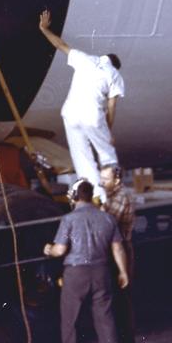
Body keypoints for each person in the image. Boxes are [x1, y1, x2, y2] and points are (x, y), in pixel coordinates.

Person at [43, 179, 130, 343]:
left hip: (76, 273)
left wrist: (48, 249)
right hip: (101, 271)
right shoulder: (107, 218)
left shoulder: (69, 219)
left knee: (70, 318)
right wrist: (123, 272)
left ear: (74, 197)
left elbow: (60, 250)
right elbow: (118, 248)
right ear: (91, 196)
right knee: (105, 317)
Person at [37, 11, 124, 201]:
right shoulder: (114, 74)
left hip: (70, 113)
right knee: (106, 154)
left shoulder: (85, 59)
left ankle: (93, 197)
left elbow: (60, 45)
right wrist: (108, 132)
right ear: (115, 65)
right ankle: (113, 196)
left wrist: (44, 29)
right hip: (91, 115)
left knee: (82, 158)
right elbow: (111, 105)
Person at [100, 164, 137, 343]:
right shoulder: (113, 196)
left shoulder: (121, 197)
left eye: (105, 180)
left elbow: (108, 224)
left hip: (122, 250)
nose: (102, 183)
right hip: (116, 249)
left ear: (117, 180)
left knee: (122, 302)